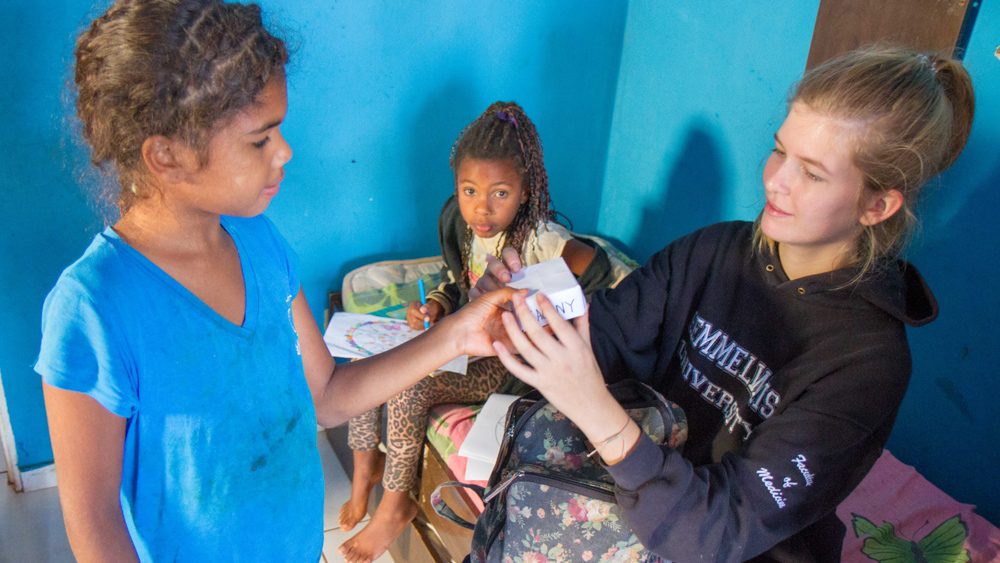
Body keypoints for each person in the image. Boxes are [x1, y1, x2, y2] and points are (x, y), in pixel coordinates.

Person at [34, 2, 512, 561]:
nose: (284, 152)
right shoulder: (93, 307)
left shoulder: (259, 243)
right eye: (260, 140)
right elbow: (94, 522)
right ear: (166, 155)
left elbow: (328, 397)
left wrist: (455, 333)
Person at [478, 46, 975, 561]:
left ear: (877, 205)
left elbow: (719, 531)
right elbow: (605, 335)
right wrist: (520, 310)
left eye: (813, 173)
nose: (775, 181)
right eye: (780, 150)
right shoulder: (717, 251)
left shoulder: (867, 363)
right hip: (630, 507)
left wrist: (595, 409)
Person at [338, 101, 630, 562]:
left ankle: (395, 506)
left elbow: (594, 265)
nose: (482, 207)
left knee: (407, 389)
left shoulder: (540, 239)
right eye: (470, 190)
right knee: (370, 365)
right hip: (462, 337)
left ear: (525, 192)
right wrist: (437, 304)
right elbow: (461, 283)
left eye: (500, 194)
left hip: (497, 362)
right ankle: (365, 473)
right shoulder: (462, 224)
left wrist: (539, 303)